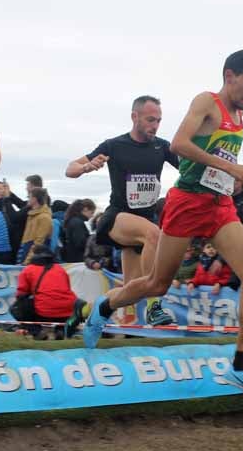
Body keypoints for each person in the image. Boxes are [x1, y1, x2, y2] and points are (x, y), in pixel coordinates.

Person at [80, 49, 243, 402]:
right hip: (187, 203)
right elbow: (181, 145)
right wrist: (229, 168)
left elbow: (217, 161)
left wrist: (231, 177)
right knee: (156, 283)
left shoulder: (239, 114)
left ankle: (241, 366)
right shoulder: (207, 101)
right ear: (229, 75)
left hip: (219, 206)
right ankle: (104, 307)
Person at [65, 95, 179, 325]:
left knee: (129, 292)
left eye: (158, 120)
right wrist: (87, 166)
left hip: (141, 226)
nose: (155, 125)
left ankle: (84, 311)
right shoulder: (114, 145)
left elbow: (190, 167)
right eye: (150, 120)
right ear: (134, 117)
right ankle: (154, 306)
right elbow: (70, 169)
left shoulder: (162, 147)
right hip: (117, 218)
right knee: (154, 233)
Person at [15, 245, 87, 339]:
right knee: (80, 305)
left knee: (17, 308)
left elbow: (21, 294)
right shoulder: (60, 269)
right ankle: (62, 330)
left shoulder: (28, 270)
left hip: (44, 312)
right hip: (68, 309)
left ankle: (37, 332)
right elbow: (67, 288)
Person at [18, 188, 53, 265]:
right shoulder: (32, 215)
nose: (28, 200)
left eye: (29, 197)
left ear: (34, 199)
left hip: (34, 260)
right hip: (25, 252)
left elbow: (39, 241)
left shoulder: (44, 217)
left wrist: (28, 261)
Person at [60, 199, 95, 263]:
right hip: (78, 258)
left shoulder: (71, 220)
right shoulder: (78, 223)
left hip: (70, 257)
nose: (92, 216)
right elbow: (80, 242)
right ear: (85, 209)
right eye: (92, 212)